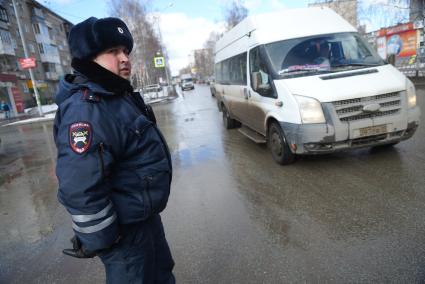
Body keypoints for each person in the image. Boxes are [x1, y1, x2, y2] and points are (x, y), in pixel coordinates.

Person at [53, 17, 175, 284]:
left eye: (125, 51)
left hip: (142, 218)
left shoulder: (116, 96)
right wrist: (107, 238)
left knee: (161, 275)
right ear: (89, 58)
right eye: (113, 51)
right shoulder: (86, 108)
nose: (124, 58)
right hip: (124, 231)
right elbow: (79, 186)